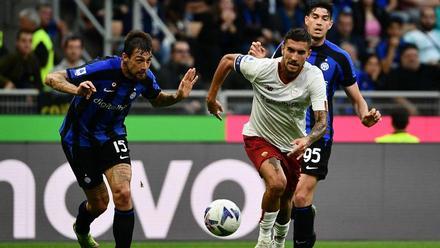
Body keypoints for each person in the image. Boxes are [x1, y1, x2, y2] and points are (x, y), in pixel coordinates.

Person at [44, 30, 198, 248]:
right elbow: (51, 77)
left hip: (112, 133)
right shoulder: (102, 68)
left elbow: (158, 100)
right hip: (79, 138)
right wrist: (76, 89)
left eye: (148, 60)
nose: (144, 66)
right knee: (99, 205)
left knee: (123, 193)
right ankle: (81, 229)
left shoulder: (145, 78)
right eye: (139, 60)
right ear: (125, 58)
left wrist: (178, 96)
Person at [249, 1, 381, 247]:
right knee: (285, 191)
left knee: (300, 195)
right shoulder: (286, 48)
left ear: (330, 24)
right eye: (315, 16)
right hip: (285, 134)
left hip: (317, 135)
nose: (319, 22)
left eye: (324, 18)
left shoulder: (339, 58)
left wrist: (364, 116)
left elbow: (357, 98)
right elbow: (272, 79)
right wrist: (262, 62)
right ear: (306, 20)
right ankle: (294, 225)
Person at [206, 28, 328, 248]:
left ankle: (279, 242)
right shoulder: (261, 68)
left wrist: (307, 140)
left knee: (286, 200)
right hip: (258, 137)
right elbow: (226, 60)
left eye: (301, 52)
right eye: (290, 50)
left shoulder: (314, 77)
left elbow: (322, 122)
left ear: (308, 55)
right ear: (283, 48)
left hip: (292, 145)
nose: (294, 56)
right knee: (277, 183)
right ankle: (263, 240)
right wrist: (211, 97)